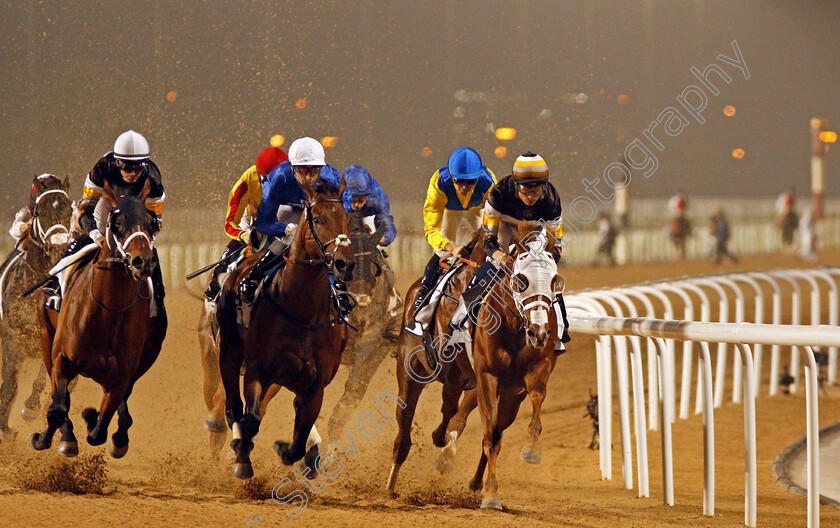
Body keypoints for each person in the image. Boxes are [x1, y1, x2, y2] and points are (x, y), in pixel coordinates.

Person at [450, 152, 570, 353]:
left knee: (545, 278)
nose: (530, 197)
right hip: (504, 227)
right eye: (525, 191)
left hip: (536, 231)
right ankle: (459, 322)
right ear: (516, 185)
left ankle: (561, 331)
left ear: (544, 187)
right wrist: (499, 255)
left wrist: (544, 262)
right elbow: (488, 238)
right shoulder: (498, 195)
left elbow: (556, 245)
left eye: (536, 191)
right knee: (493, 267)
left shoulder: (552, 199)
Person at [43, 130, 165, 316]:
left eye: (138, 168)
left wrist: (144, 240)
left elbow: (155, 221)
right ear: (117, 163)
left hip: (136, 208)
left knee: (148, 253)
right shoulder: (102, 169)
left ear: (145, 165)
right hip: (106, 202)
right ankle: (55, 286)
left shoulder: (153, 179)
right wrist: (96, 236)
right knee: (85, 241)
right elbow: (84, 214)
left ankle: (158, 302)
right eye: (127, 167)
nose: (133, 174)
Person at [238, 137, 354, 316]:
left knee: (328, 242)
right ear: (292, 167)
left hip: (318, 212)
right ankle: (255, 276)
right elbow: (262, 222)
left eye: (314, 171)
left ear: (321, 169)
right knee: (289, 237)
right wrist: (285, 230)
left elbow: (343, 207)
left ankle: (339, 289)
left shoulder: (329, 177)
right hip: (287, 214)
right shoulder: (279, 177)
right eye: (302, 170)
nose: (308, 177)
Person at [404, 147, 496, 333]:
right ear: (451, 177)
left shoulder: (489, 183)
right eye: (459, 181)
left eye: (470, 182)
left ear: (478, 178)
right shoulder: (439, 183)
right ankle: (421, 307)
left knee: (493, 245)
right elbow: (431, 230)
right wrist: (451, 247)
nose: (464, 187)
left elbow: (495, 222)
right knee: (442, 253)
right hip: (449, 210)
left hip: (478, 209)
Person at [203, 146, 288, 301]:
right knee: (222, 267)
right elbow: (230, 224)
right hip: (251, 223)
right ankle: (214, 291)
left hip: (284, 227)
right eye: (267, 181)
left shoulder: (296, 181)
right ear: (258, 176)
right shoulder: (245, 183)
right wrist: (245, 235)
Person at [3, 174, 66, 268]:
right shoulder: (27, 213)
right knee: (11, 260)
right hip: (32, 253)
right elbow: (14, 231)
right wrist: (26, 225)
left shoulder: (64, 212)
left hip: (59, 252)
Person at [341, 165, 396, 246]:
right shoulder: (336, 194)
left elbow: (386, 222)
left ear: (367, 195)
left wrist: (383, 238)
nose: (357, 205)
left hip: (367, 217)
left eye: (361, 200)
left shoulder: (378, 199)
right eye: (353, 200)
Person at [776, 188, 798, 253]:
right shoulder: (788, 198)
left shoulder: (784, 197)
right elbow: (788, 208)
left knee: (787, 232)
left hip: (784, 213)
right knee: (786, 231)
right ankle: (787, 246)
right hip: (785, 214)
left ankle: (787, 246)